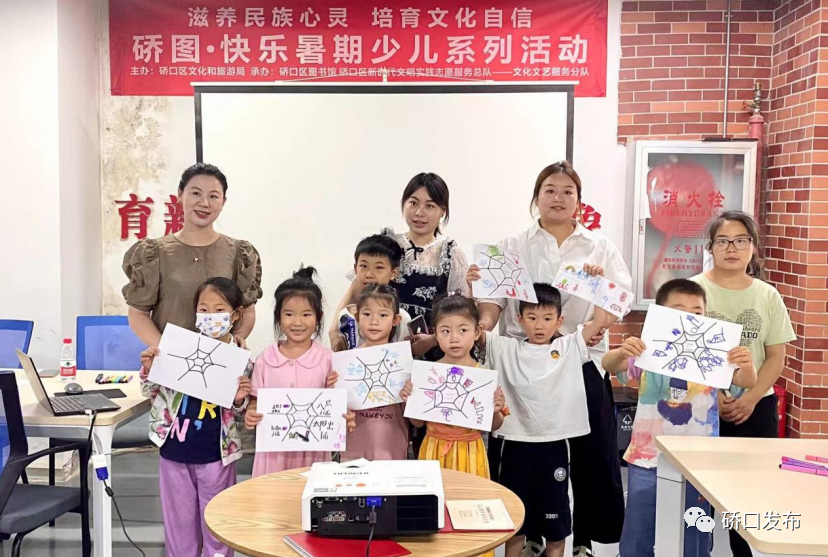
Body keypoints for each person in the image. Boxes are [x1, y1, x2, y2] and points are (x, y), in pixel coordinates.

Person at [476, 161, 630, 557]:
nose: (558, 198)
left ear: (579, 200)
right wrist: (483, 326)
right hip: (522, 363)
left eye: (567, 191)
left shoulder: (599, 246)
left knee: (589, 451)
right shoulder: (512, 244)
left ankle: (582, 539)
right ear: (536, 197)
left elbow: (620, 299)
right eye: (549, 190)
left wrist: (599, 310)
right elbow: (493, 300)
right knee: (523, 450)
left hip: (581, 357)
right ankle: (529, 531)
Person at [602, 279, 757, 557]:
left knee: (695, 532)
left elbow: (744, 381)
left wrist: (746, 364)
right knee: (638, 530)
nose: (690, 318)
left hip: (699, 461)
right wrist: (622, 351)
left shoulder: (715, 355)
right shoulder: (648, 351)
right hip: (647, 457)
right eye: (678, 311)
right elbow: (610, 364)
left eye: (697, 312)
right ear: (660, 315)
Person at [474, 277, 617, 557]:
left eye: (547, 318)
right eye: (532, 317)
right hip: (514, 445)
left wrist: (597, 282)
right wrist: (473, 288)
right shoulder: (506, 347)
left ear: (559, 321)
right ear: (519, 319)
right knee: (515, 522)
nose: (539, 325)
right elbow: (475, 332)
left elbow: (601, 321)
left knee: (556, 526)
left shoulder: (568, 347)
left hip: (554, 446)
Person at [691, 211, 796, 557]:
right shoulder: (693, 291)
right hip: (702, 408)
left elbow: (776, 356)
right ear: (710, 247)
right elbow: (685, 353)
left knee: (750, 495)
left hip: (757, 407)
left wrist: (751, 397)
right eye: (722, 241)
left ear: (753, 247)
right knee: (698, 496)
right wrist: (713, 396)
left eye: (740, 241)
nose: (731, 248)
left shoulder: (767, 295)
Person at [139, 277, 252, 557]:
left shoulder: (242, 359)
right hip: (173, 449)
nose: (210, 316)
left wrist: (240, 399)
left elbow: (241, 411)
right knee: (179, 523)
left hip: (216, 454)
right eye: (203, 309)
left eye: (219, 310)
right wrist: (150, 368)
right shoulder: (176, 348)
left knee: (216, 520)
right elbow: (150, 392)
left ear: (235, 314)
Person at [123, 163, 262, 347]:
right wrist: (167, 352)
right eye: (196, 193)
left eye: (213, 196)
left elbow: (247, 311)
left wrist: (232, 345)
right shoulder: (154, 253)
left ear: (223, 202)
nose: (204, 203)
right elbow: (138, 313)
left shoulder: (239, 253)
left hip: (220, 359)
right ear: (180, 195)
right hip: (167, 359)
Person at [244, 267, 355, 477]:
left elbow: (336, 405)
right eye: (289, 314)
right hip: (273, 455)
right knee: (273, 496)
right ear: (278, 317)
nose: (297, 322)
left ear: (318, 317)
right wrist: (251, 413)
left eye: (306, 314)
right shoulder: (266, 359)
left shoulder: (328, 360)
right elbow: (255, 401)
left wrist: (344, 416)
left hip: (313, 454)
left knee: (309, 496)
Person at [341, 284, 412, 462]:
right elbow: (336, 413)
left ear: (396, 320)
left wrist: (410, 399)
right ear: (357, 317)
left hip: (391, 450)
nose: (374, 321)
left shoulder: (404, 362)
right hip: (353, 450)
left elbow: (415, 419)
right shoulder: (344, 362)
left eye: (383, 315)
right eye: (367, 314)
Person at [330, 234, 412, 350]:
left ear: (393, 273)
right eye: (363, 266)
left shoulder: (402, 318)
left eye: (379, 267)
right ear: (355, 269)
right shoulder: (346, 316)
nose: (369, 274)